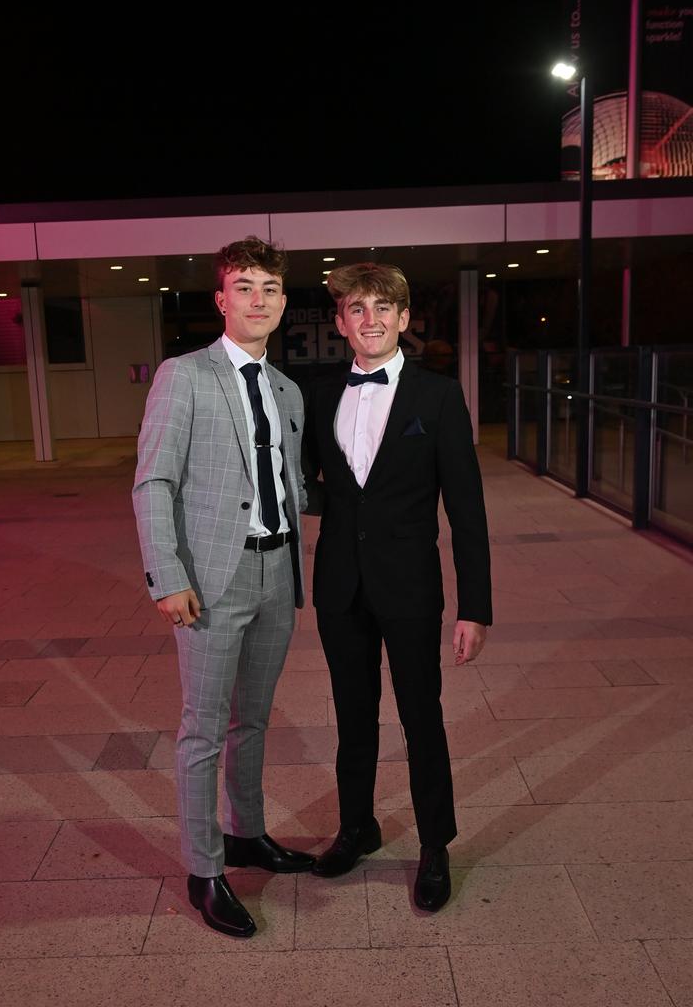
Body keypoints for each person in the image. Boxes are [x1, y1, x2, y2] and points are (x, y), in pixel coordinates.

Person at [133, 236, 313, 939]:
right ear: (220, 299)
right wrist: (167, 575)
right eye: (244, 286)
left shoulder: (287, 389)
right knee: (203, 730)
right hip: (212, 579)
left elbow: (288, 483)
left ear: (282, 302)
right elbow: (154, 480)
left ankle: (247, 835)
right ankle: (204, 870)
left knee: (254, 721)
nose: (257, 299)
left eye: (268, 287)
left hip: (277, 573)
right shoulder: (185, 376)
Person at [304, 262, 492, 912]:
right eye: (357, 308)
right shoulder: (319, 394)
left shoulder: (438, 396)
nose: (372, 319)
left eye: (385, 307)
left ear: (405, 319)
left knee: (422, 719)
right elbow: (309, 485)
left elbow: (466, 509)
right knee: (353, 719)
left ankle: (435, 844)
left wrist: (476, 606)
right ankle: (358, 827)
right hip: (340, 588)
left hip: (411, 588)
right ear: (341, 322)